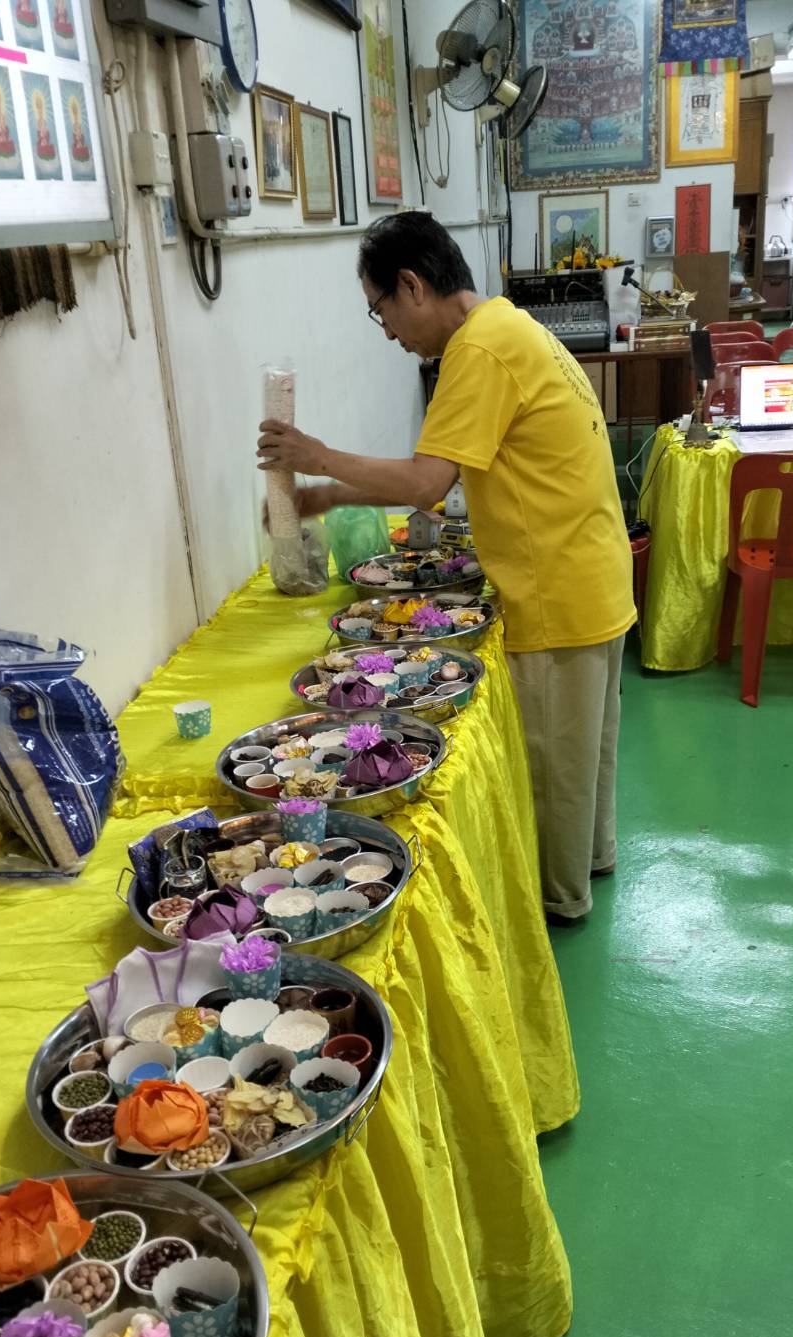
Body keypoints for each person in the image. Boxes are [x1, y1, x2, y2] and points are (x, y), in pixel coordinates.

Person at [256, 211, 635, 923]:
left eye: (380, 311)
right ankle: (591, 860)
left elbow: (427, 483)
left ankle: (558, 907)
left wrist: (319, 459)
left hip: (556, 589)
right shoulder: (511, 327)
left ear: (412, 285)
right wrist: (329, 495)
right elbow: (443, 476)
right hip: (596, 573)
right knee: (587, 752)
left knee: (554, 767)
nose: (389, 332)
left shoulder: (478, 349)